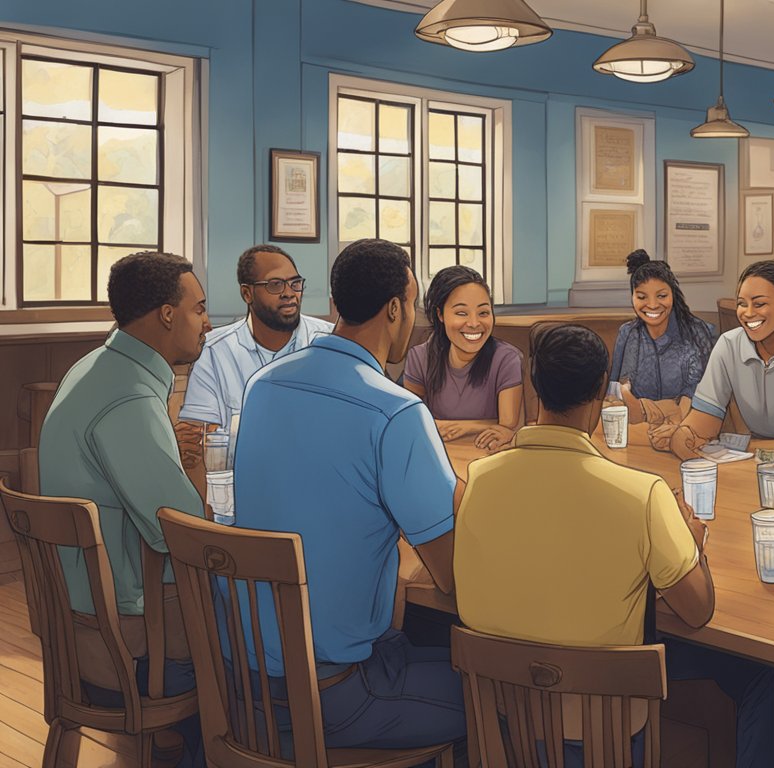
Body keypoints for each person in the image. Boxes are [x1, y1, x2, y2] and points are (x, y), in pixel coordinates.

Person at [455, 323, 774, 767]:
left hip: (504, 722)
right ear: (597, 397)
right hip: (602, 733)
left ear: (534, 388)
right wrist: (692, 544)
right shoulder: (641, 494)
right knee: (762, 673)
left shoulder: (477, 481)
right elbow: (698, 609)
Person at [232, 239, 466, 753]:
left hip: (247, 689)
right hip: (334, 697)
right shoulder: (396, 412)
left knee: (414, 645)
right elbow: (452, 575)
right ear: (395, 309)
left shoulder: (261, 386)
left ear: (336, 305)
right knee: (506, 692)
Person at [40, 251, 211, 762]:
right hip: (130, 647)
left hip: (80, 624)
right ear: (166, 314)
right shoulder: (131, 399)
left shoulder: (93, 368)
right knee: (266, 642)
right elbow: (183, 533)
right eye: (198, 309)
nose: (206, 322)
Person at [661, 260, 774, 459]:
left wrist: (750, 450)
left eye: (759, 304)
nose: (748, 313)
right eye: (742, 304)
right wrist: (683, 436)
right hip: (748, 464)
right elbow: (701, 426)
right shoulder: (729, 344)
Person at [177, 244, 332, 465]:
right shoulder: (214, 350)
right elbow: (197, 440)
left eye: (295, 284)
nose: (289, 294)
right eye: (275, 285)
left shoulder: (328, 341)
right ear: (247, 293)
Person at [402, 265, 523, 453]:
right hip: (434, 455)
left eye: (483, 312)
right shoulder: (419, 358)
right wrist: (484, 426)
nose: (474, 324)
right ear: (440, 314)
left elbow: (507, 427)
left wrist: (465, 427)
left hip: (486, 457)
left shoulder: (506, 359)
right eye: (461, 313)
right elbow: (411, 421)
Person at [609, 250, 716, 434]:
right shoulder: (628, 333)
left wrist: (675, 425)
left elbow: (699, 393)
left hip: (688, 430)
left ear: (672, 295)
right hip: (639, 432)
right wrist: (634, 402)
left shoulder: (697, 332)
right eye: (642, 297)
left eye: (661, 296)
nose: (652, 305)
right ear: (633, 297)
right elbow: (614, 390)